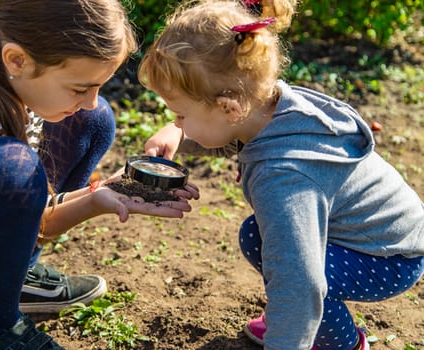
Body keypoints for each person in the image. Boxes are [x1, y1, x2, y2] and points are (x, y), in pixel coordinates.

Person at [0, 0, 199, 349]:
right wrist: (90, 204)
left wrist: (99, 193)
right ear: (17, 60)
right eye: (79, 88)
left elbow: (16, 216)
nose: (89, 99)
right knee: (13, 167)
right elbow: (15, 210)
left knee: (92, 119)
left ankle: (11, 279)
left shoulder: (7, 82)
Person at [137, 0, 424, 349]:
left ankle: (344, 344)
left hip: (389, 257)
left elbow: (299, 282)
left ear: (229, 107)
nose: (177, 121)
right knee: (256, 235)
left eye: (180, 114)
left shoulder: (283, 178)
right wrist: (178, 134)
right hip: (384, 235)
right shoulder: (271, 108)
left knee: (301, 279)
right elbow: (230, 137)